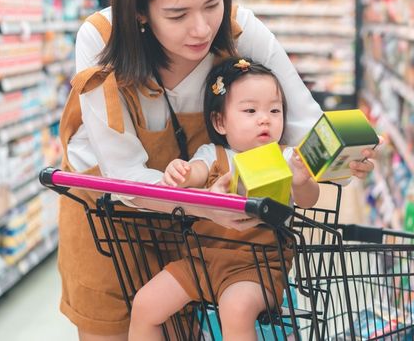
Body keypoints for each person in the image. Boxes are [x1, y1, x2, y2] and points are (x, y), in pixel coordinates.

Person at [57, 0, 375, 341]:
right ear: (140, 12)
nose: (202, 28)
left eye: (212, 3)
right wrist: (202, 202)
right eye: (177, 14)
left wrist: (343, 156)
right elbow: (124, 174)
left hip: (204, 233)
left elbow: (305, 123)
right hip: (112, 218)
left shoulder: (242, 32)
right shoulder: (101, 41)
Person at [129, 57, 319, 341]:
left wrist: (302, 180)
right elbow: (192, 175)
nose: (264, 118)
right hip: (201, 260)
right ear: (220, 121)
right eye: (250, 110)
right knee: (145, 304)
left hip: (258, 266)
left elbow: (308, 200)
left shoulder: (285, 157)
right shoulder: (212, 155)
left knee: (236, 309)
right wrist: (178, 171)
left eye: (275, 110)